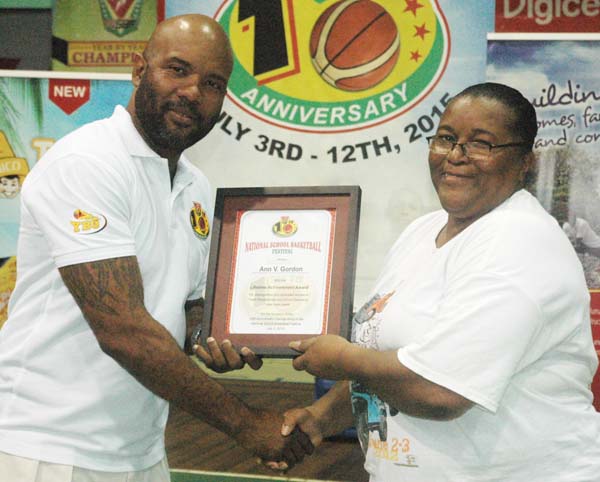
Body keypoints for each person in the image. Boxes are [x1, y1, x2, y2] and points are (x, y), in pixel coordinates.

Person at [0, 14, 311, 482]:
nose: (192, 92)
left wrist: (212, 336)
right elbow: (123, 329)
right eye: (178, 69)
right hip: (46, 449)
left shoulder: (197, 186)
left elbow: (185, 303)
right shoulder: (88, 163)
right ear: (138, 70)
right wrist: (247, 424)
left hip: (140, 450)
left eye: (212, 83)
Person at [278, 82, 600, 481]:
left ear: (524, 163)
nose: (455, 156)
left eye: (481, 144)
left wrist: (340, 358)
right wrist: (321, 418)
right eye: (446, 138)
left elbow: (439, 392)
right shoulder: (422, 231)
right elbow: (388, 358)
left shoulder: (519, 238)